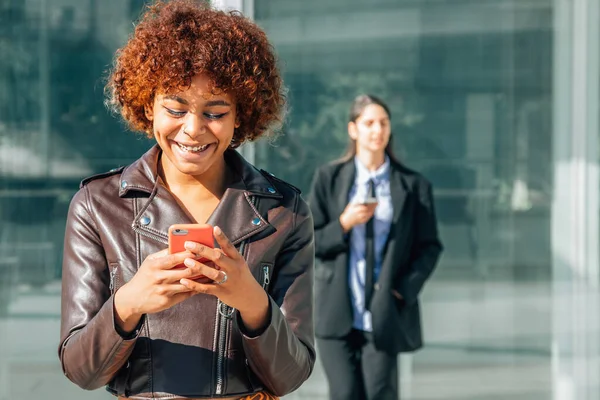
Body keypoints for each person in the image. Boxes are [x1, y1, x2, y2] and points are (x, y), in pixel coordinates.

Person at [58, 1, 315, 399]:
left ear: (240, 117)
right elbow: (80, 370)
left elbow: (293, 374)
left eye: (215, 112)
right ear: (148, 105)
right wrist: (128, 303)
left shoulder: (285, 212)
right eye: (176, 108)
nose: (193, 130)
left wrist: (251, 302)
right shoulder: (98, 205)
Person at [309, 94, 443, 400]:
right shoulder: (329, 178)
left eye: (383, 123)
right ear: (353, 129)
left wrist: (402, 291)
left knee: (381, 393)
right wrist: (344, 223)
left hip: (384, 312)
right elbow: (309, 241)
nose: (377, 130)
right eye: (369, 123)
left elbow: (430, 247)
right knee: (343, 394)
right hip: (337, 309)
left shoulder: (413, 185)